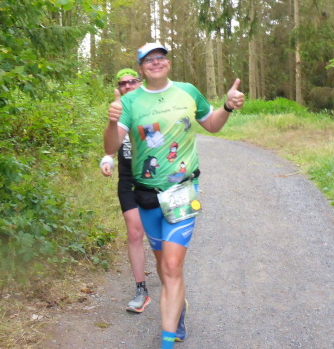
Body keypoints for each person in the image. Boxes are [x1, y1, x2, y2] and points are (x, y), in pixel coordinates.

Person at [104, 43, 245, 349]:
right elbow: (111, 147)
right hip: (146, 196)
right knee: (163, 265)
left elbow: (212, 126)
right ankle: (178, 306)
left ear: (167, 63)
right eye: (148, 59)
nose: (156, 62)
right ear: (141, 67)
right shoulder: (130, 101)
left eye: (161, 57)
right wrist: (112, 121)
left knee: (171, 265)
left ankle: (167, 342)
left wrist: (227, 107)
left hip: (183, 190)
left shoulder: (187, 91)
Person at [100, 68, 150, 313]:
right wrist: (107, 159)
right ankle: (141, 290)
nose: (128, 86)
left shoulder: (151, 106)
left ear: (141, 83)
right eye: (123, 83)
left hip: (153, 178)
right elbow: (112, 143)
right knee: (134, 233)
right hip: (128, 179)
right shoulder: (118, 110)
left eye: (132, 81)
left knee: (159, 238)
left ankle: (171, 282)